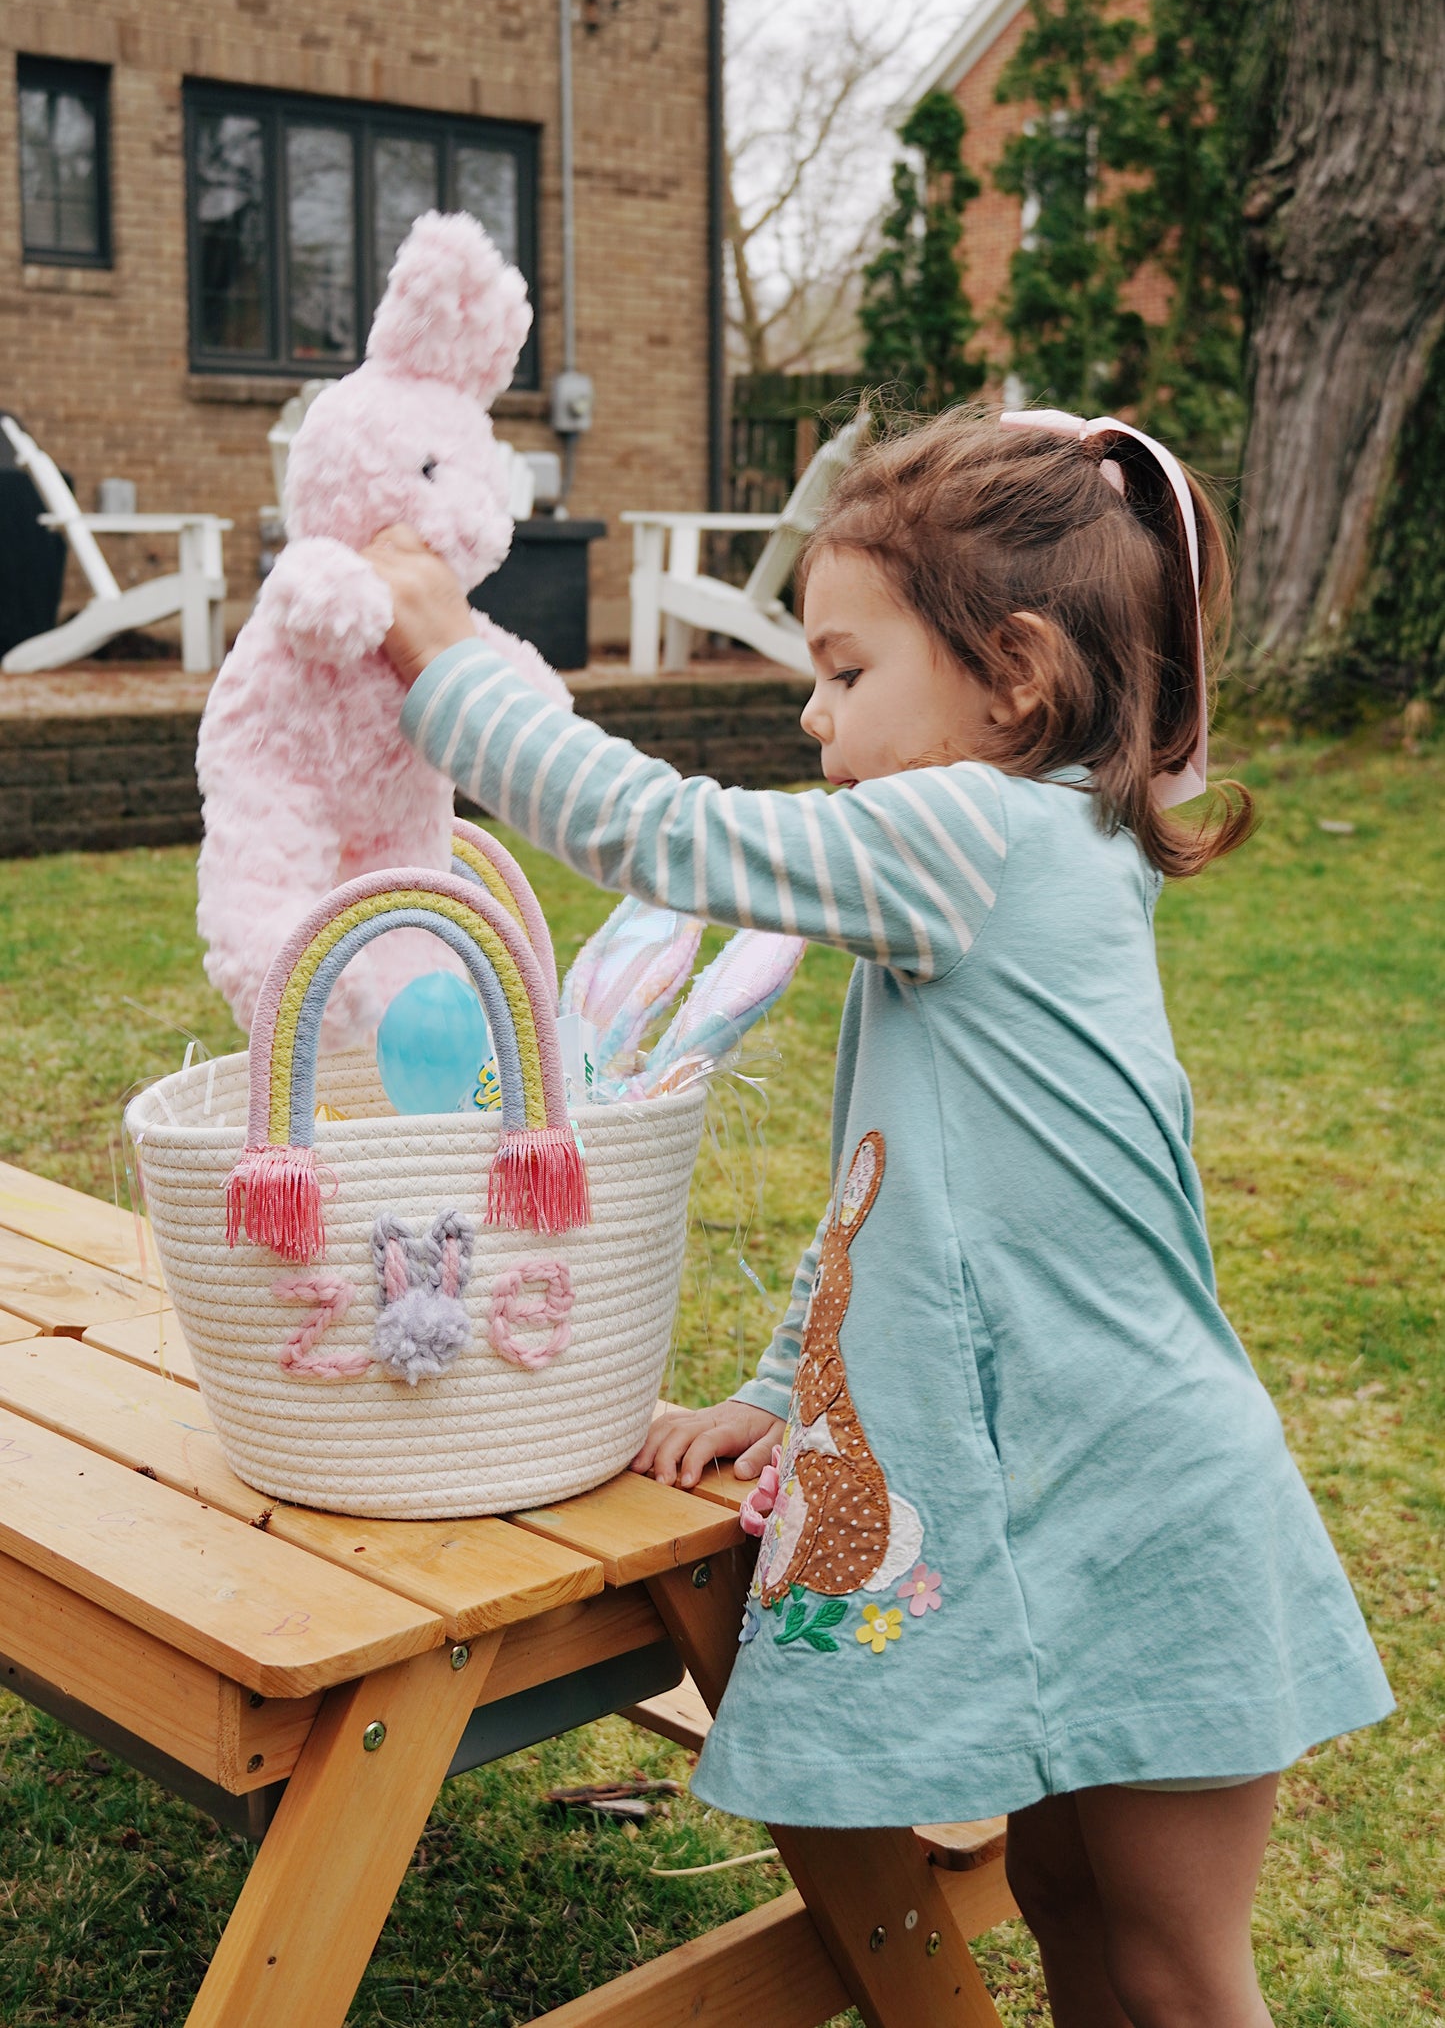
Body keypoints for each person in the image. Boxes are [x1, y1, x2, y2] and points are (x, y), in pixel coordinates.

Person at [371, 408, 1392, 2028]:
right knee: (1064, 1905)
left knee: (1186, 1978)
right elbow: (886, 1199)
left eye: (847, 673)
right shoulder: (1026, 861)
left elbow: (669, 832)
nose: (810, 708)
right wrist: (774, 1393)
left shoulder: (971, 831)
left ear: (1015, 677)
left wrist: (451, 665)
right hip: (1070, 1497)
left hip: (1140, 1506)